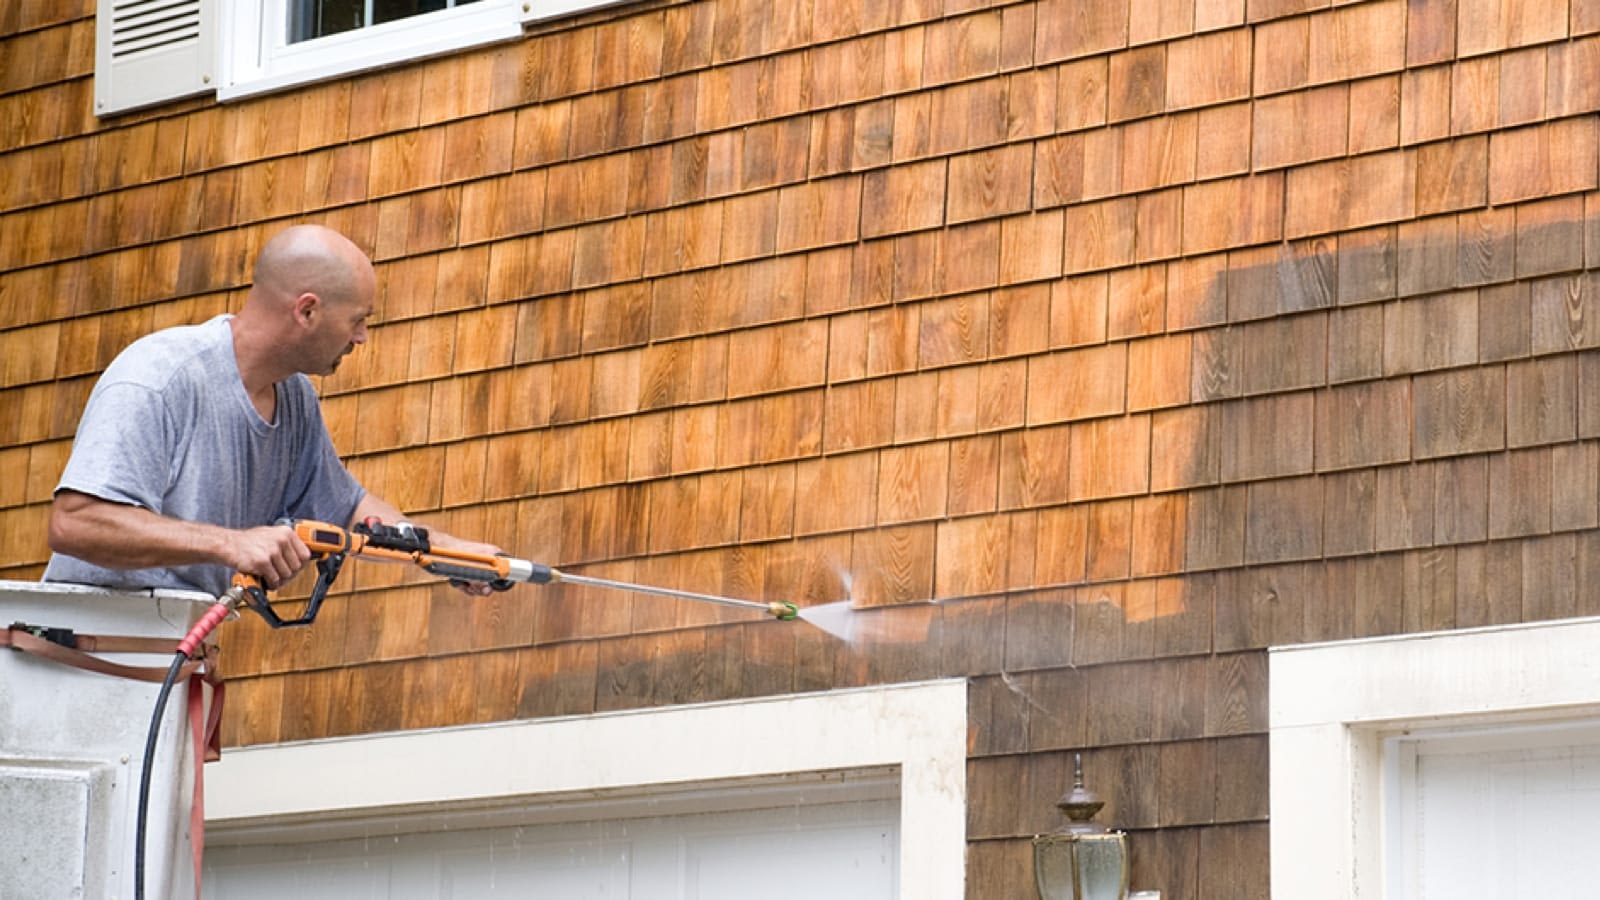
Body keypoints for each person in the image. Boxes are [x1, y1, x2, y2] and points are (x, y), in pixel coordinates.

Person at [44, 224, 498, 598]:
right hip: (82, 662)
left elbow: (348, 511)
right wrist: (231, 544)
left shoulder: (294, 398)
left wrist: (445, 552)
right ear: (307, 311)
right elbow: (76, 522)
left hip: (173, 658)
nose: (361, 338)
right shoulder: (160, 377)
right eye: (358, 320)